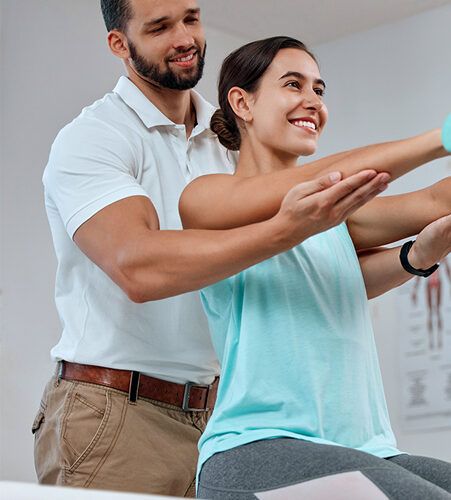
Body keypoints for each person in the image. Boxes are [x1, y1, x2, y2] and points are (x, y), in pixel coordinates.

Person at [34, 0, 426, 496]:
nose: (184, 38)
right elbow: (139, 269)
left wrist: (416, 256)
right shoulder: (95, 139)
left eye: (191, 19)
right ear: (119, 44)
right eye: (159, 27)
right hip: (118, 408)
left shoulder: (232, 142)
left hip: (225, 415)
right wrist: (287, 228)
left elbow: (321, 266)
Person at [180, 37, 451, 499]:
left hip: (364, 447)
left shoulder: (332, 220)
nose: (313, 101)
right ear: (241, 102)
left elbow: (437, 199)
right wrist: (446, 138)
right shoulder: (206, 198)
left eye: (319, 89)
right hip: (254, 451)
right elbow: (342, 171)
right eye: (293, 85)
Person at [411, 259, 451, 349]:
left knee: (437, 311)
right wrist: (415, 290)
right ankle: (431, 340)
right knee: (431, 312)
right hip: (430, 281)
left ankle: (439, 339)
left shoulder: (442, 255)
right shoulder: (438, 254)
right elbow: (420, 271)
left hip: (437, 281)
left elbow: (448, 269)